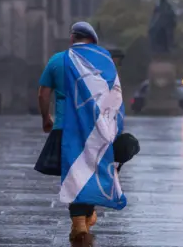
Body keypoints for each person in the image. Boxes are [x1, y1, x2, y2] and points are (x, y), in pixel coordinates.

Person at [38, 22, 125, 244]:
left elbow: (43, 94)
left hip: (65, 129)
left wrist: (46, 118)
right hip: (97, 130)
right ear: (93, 43)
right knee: (91, 171)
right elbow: (114, 97)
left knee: (75, 174)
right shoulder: (104, 62)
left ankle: (81, 222)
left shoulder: (58, 60)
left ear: (72, 39)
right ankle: (83, 220)